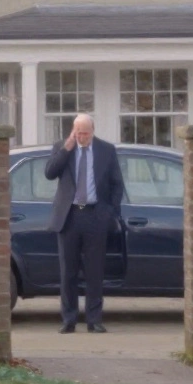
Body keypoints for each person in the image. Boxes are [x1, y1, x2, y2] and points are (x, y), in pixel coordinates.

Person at [43, 113, 125, 334]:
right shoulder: (63, 147)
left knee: (95, 271)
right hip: (68, 217)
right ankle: (69, 319)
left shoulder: (106, 150)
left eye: (86, 133)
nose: (82, 137)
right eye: (78, 133)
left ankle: (94, 319)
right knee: (68, 271)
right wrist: (67, 148)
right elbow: (50, 173)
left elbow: (117, 185)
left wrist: (109, 213)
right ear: (73, 131)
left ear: (93, 131)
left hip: (95, 216)